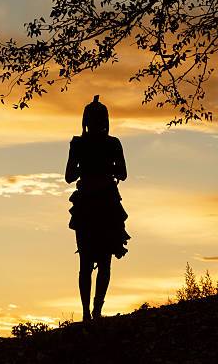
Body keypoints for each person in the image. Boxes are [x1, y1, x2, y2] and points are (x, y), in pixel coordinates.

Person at [65, 95, 130, 322]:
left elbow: (68, 176)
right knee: (103, 262)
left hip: (91, 204)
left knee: (88, 262)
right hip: (104, 204)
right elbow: (122, 173)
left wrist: (86, 168)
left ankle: (89, 313)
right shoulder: (112, 144)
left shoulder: (79, 144)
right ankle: (93, 312)